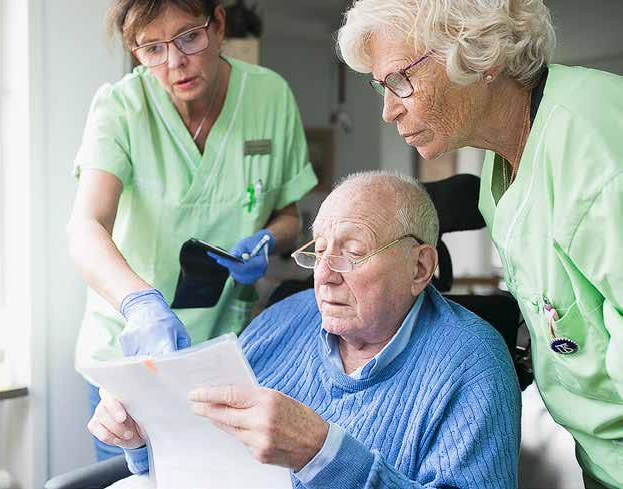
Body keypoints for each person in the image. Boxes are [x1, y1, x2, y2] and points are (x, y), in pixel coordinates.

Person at [336, 1, 623, 487]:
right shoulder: (501, 165)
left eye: (400, 80)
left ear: (482, 54)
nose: (388, 110)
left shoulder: (597, 150)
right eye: (380, 87)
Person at [90, 171, 521, 488]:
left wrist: (322, 454)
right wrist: (144, 435)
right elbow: (201, 455)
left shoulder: (473, 362)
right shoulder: (287, 317)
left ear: (420, 267)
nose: (325, 275)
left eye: (352, 252)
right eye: (318, 250)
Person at [67, 0, 317, 461]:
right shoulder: (121, 108)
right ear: (134, 50)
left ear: (217, 25)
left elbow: (289, 214)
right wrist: (139, 303)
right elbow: (85, 227)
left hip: (223, 354)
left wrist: (268, 240)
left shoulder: (269, 97)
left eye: (189, 37)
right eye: (153, 49)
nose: (175, 62)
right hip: (130, 356)